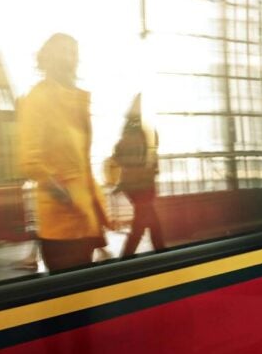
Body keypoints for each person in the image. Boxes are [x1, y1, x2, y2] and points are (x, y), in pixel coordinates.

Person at [17, 33, 109, 272]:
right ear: (48, 58)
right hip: (61, 227)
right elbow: (30, 160)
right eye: (64, 51)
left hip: (85, 220)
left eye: (74, 52)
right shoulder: (39, 98)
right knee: (72, 301)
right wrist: (64, 194)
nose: (71, 58)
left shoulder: (78, 99)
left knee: (86, 297)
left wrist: (95, 210)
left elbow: (84, 164)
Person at [113, 94, 166, 257]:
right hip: (143, 186)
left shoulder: (125, 135)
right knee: (141, 225)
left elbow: (118, 157)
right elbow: (152, 156)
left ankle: (161, 252)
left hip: (133, 187)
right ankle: (127, 259)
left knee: (150, 222)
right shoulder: (146, 132)